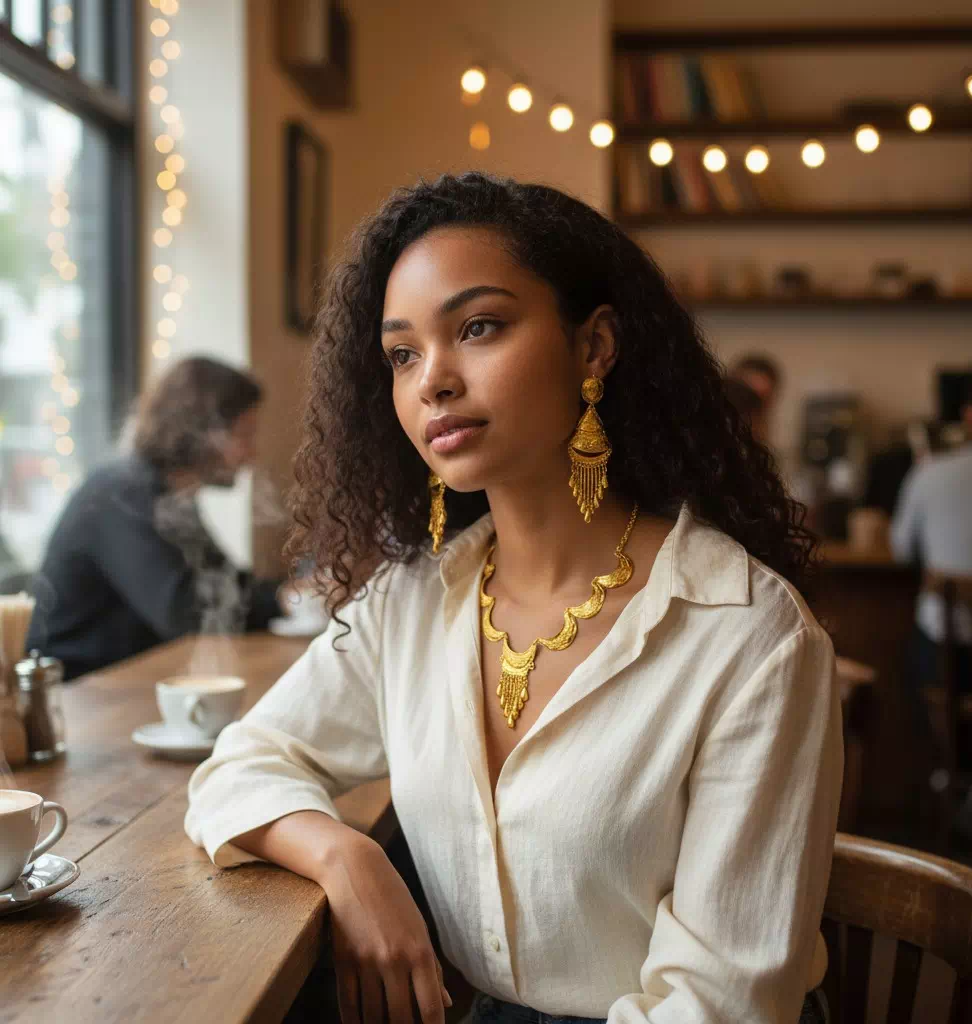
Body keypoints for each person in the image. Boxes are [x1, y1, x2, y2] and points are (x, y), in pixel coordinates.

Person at [186, 173, 842, 1024]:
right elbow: (239, 766)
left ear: (594, 347)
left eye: (479, 327)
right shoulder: (413, 603)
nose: (434, 382)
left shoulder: (751, 637)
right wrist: (346, 858)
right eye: (403, 354)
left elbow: (716, 1008)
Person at [26, 356, 283, 679]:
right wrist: (282, 600)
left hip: (131, 680)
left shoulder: (171, 500)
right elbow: (184, 612)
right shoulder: (120, 495)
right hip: (76, 693)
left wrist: (289, 592)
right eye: (243, 435)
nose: (252, 454)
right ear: (200, 430)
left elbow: (226, 582)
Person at [890, 361, 972, 832]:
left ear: (971, 417)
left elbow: (901, 550)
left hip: (950, 663)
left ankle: (954, 775)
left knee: (912, 645)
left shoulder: (933, 474)